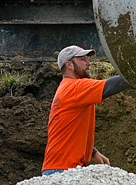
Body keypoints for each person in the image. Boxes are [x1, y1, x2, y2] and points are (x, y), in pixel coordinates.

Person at [41, 45, 130, 175]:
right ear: (69, 65)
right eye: (82, 59)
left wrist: (93, 151)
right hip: (61, 171)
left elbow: (69, 129)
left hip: (59, 168)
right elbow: (112, 86)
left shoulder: (69, 89)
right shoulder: (74, 87)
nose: (88, 64)